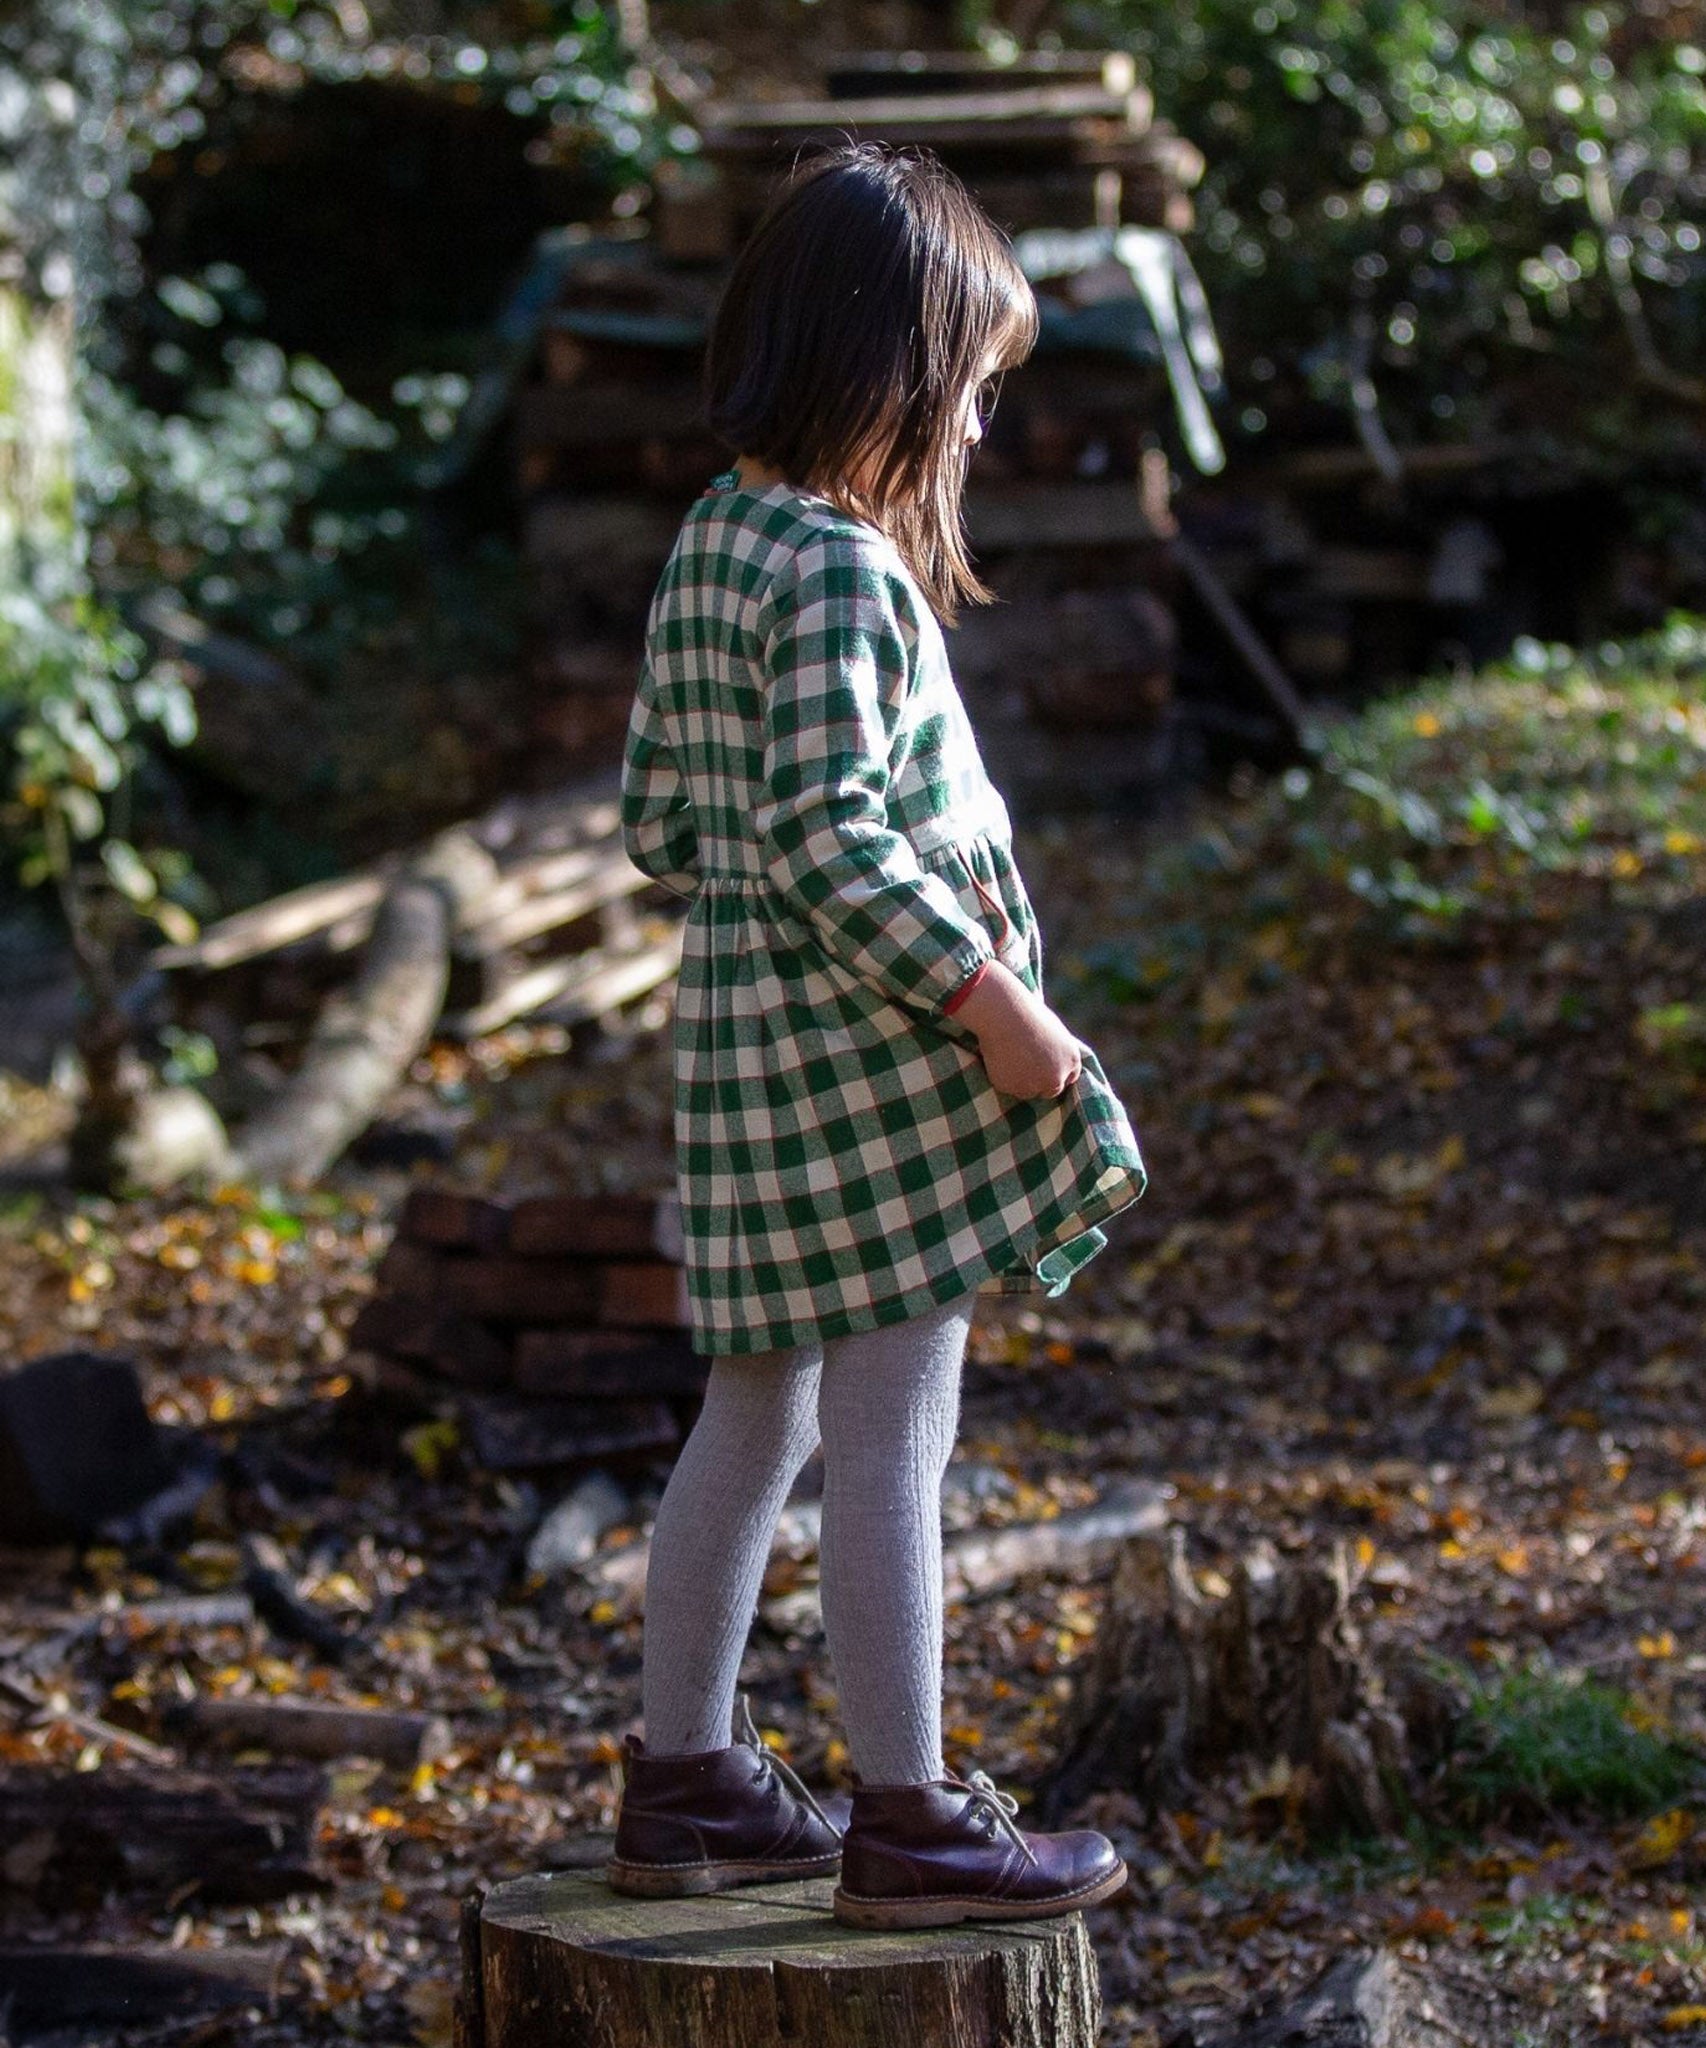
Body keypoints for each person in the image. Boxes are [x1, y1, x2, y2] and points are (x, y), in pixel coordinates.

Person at [610, 138, 1148, 1930]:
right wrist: (989, 1000)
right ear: (890, 375)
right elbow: (834, 832)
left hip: (752, 1077)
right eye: (974, 398)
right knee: (895, 1436)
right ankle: (908, 1814)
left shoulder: (712, 543)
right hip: (874, 1079)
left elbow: (668, 826)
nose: (981, 438)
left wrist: (778, 935)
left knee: (748, 1423)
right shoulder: (839, 571)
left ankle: (679, 1774)